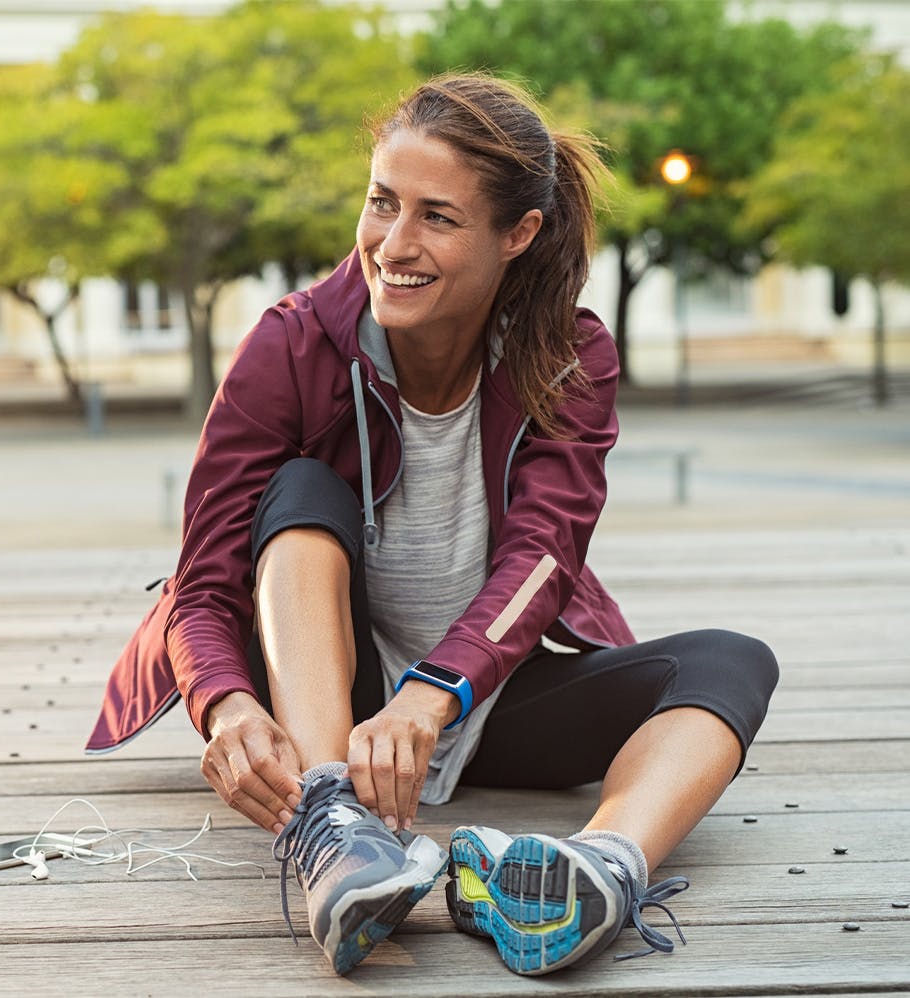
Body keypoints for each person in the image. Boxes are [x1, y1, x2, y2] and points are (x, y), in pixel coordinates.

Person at [87, 73, 779, 978]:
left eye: (437, 217)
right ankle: (334, 831)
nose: (393, 244)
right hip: (328, 707)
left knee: (732, 661)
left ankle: (602, 869)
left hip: (477, 696)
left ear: (517, 234)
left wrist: (435, 692)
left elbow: (545, 557)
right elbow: (205, 582)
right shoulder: (291, 346)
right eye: (382, 203)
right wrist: (226, 704)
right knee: (298, 491)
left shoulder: (569, 355)